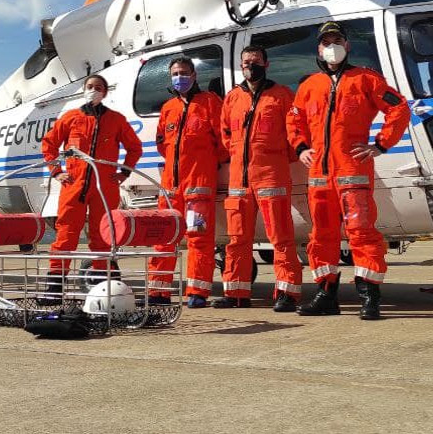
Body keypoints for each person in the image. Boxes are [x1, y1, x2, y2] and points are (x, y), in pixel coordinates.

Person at [287, 21, 410, 320]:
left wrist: (380, 145)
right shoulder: (309, 86)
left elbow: (399, 108)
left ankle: (370, 296)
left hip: (352, 170)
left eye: (337, 39)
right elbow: (294, 120)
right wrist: (302, 147)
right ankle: (326, 294)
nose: (332, 46)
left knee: (362, 233)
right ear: (318, 48)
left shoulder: (366, 79)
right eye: (326, 41)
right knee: (321, 236)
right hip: (319, 174)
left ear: (347, 44)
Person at [213, 45, 301, 312]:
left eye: (255, 61)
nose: (250, 66)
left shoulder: (282, 95)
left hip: (271, 176)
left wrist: (273, 159)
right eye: (246, 62)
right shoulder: (232, 98)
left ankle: (287, 292)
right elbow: (226, 135)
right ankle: (236, 293)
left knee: (281, 238)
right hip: (239, 180)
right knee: (237, 239)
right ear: (241, 66)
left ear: (266, 63)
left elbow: (294, 134)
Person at [41, 74, 143, 294]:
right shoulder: (70, 118)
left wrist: (123, 173)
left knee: (103, 236)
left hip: (104, 186)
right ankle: (54, 285)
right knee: (66, 235)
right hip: (73, 186)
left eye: (98, 87)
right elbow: (49, 144)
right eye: (90, 86)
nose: (94, 90)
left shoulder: (116, 120)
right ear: (83, 90)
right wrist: (57, 172)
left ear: (105, 92)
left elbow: (135, 147)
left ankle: (103, 285)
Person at [147, 56, 225, 308]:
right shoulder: (168, 107)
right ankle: (158, 291)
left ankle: (197, 291)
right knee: (163, 238)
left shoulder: (210, 103)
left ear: (194, 76)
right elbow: (162, 144)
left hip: (198, 189)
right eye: (175, 73)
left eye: (183, 72)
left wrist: (205, 164)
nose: (179, 77)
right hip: (170, 189)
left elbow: (223, 143)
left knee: (198, 238)